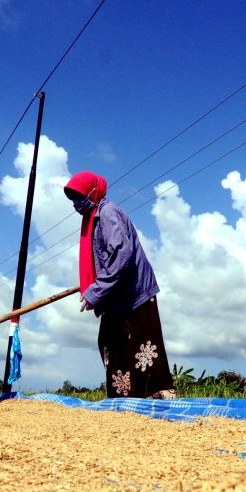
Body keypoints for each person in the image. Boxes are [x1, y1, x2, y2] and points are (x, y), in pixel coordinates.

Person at [64, 170, 176, 400]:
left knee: (144, 348)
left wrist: (95, 291)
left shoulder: (108, 214)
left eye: (79, 196)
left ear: (94, 191)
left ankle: (157, 396)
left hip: (135, 294)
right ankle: (123, 398)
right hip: (116, 298)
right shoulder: (93, 219)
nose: (76, 203)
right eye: (72, 198)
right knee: (111, 345)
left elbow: (120, 255)